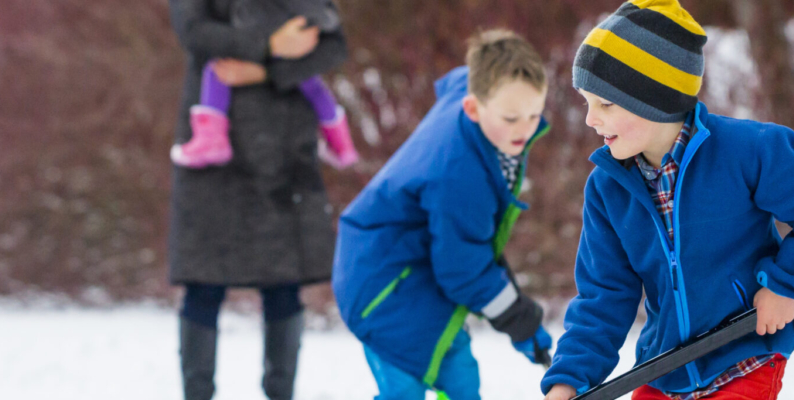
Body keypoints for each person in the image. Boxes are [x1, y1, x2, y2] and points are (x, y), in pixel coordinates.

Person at [540, 1, 794, 399]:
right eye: (587, 102)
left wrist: (784, 284)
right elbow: (604, 297)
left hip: (743, 354)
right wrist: (568, 381)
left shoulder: (748, 151)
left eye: (605, 104)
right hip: (664, 368)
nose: (590, 119)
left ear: (653, 101)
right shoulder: (607, 190)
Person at [332, 29, 554, 400]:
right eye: (512, 117)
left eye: (535, 114)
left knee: (461, 378)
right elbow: (463, 270)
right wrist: (520, 320)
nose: (525, 129)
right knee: (405, 388)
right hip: (383, 284)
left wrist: (522, 321)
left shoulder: (482, 109)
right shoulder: (460, 174)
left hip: (420, 274)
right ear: (472, 107)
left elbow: (471, 248)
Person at [166, 0, 348, 399]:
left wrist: (267, 68)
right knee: (203, 282)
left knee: (283, 283)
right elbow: (194, 32)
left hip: (285, 148)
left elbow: (334, 43)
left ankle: (281, 392)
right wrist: (269, 44)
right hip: (213, 144)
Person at [169, 0, 358, 169]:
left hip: (273, 27)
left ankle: (212, 138)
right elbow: (192, 31)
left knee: (218, 68)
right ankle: (340, 142)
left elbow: (335, 44)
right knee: (311, 84)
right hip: (286, 27)